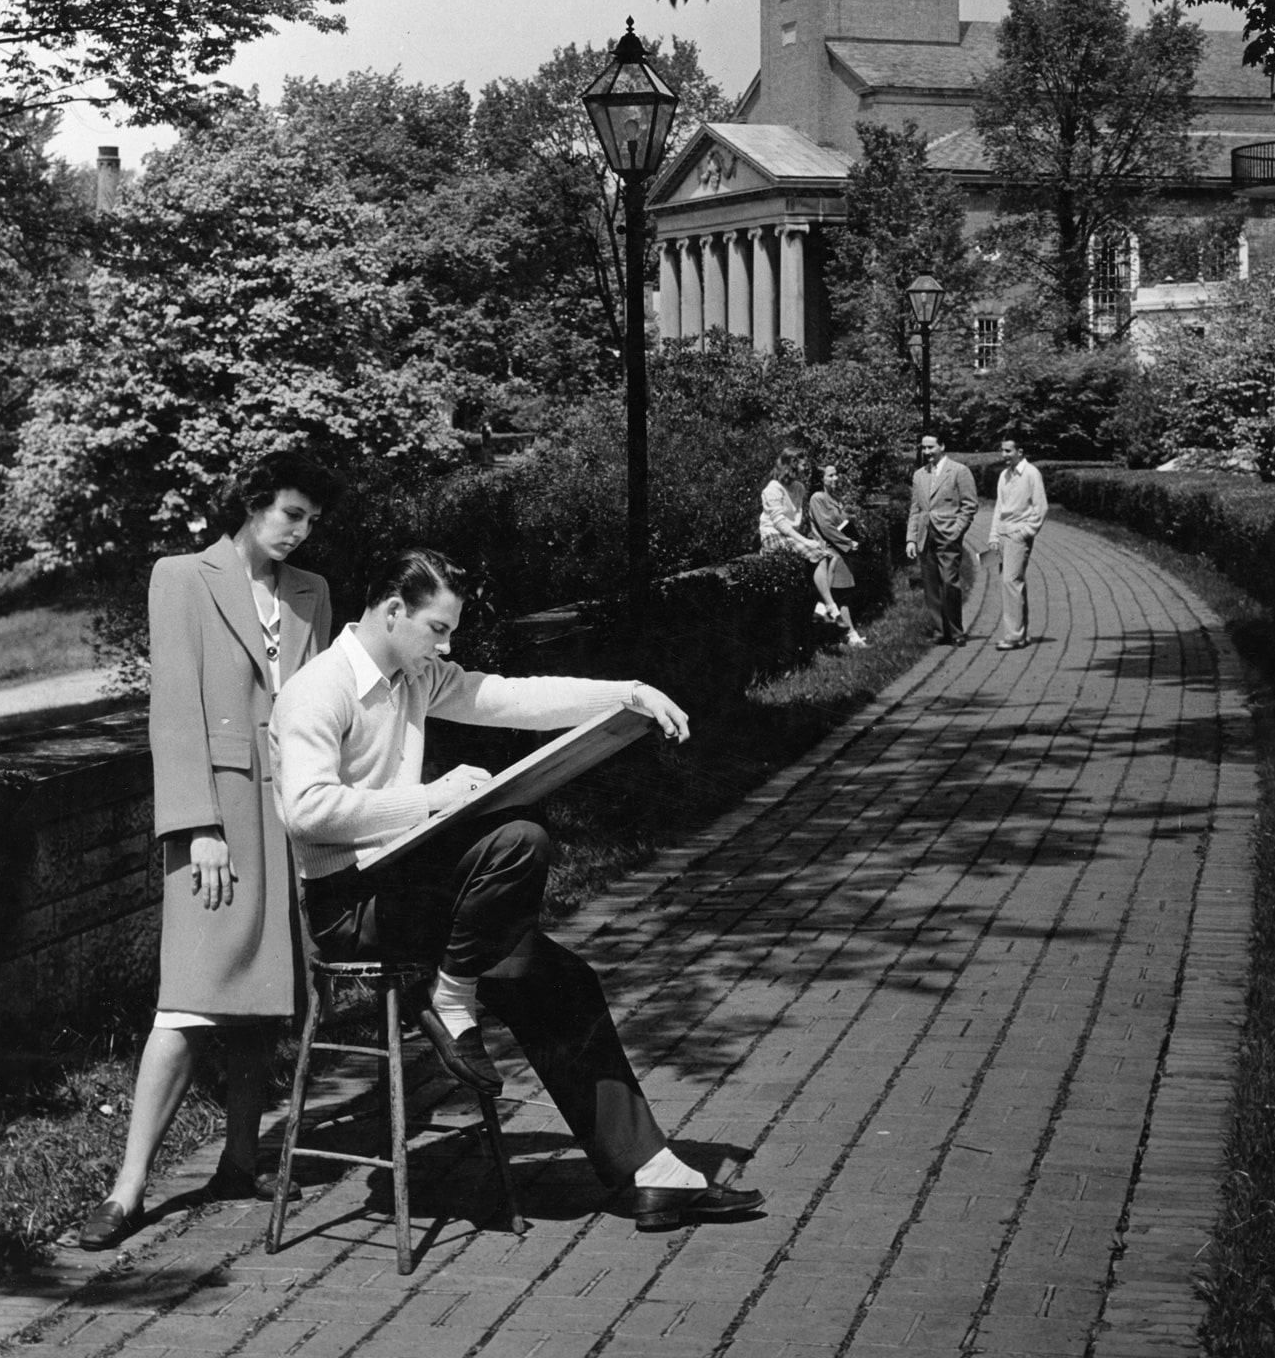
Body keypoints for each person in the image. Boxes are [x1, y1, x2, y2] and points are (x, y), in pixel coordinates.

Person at [269, 548, 765, 1235]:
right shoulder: (317, 690)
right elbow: (305, 810)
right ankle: (449, 995)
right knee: (518, 839)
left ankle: (648, 1174)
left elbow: (506, 695)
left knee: (561, 980)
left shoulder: (411, 672)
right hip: (350, 908)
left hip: (407, 887)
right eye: (437, 629)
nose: (445, 645)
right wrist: (429, 799)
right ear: (390, 612)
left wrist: (626, 693)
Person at [78, 452, 340, 1251]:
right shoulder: (182, 578)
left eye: (311, 521)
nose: (299, 531)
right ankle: (127, 1192)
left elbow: (314, 710)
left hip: (286, 811)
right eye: (290, 513)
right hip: (217, 815)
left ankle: (239, 1159)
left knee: (264, 993)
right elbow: (175, 711)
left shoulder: (312, 594)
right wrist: (198, 827)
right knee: (189, 999)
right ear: (253, 503)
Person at [905, 428, 979, 645]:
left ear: (942, 446)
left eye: (931, 447)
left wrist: (957, 531)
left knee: (949, 583)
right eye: (924, 447)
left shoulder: (959, 471)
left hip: (948, 534)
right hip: (925, 535)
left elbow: (970, 505)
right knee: (930, 585)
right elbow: (915, 508)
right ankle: (940, 631)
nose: (927, 451)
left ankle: (956, 632)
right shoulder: (919, 475)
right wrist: (911, 538)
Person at [759, 446, 844, 626]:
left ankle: (820, 610)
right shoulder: (773, 489)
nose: (806, 468)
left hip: (790, 535)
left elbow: (796, 521)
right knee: (818, 555)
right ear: (793, 465)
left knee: (828, 556)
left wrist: (811, 540)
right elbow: (780, 524)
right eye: (803, 464)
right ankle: (831, 609)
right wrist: (805, 541)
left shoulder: (799, 488)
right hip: (773, 535)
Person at [989, 433, 1049, 650]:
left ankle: (1014, 636)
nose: (1003, 454)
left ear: (1020, 452)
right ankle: (1021, 634)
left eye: (1008, 450)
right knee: (1009, 584)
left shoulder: (1032, 474)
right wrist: (994, 536)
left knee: (1011, 582)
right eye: (1002, 450)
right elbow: (999, 507)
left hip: (1017, 536)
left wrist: (1025, 533)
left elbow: (1040, 508)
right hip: (1003, 535)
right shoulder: (1004, 475)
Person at [806, 463, 868, 648]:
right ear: (820, 479)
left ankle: (843, 635)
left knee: (841, 596)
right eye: (830, 475)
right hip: (830, 551)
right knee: (839, 596)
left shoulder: (834, 498)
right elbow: (825, 527)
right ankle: (850, 635)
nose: (835, 478)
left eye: (836, 475)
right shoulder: (817, 498)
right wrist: (848, 543)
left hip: (840, 551)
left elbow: (839, 523)